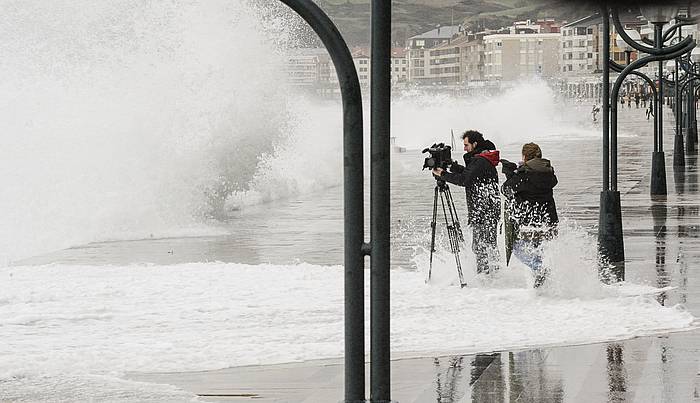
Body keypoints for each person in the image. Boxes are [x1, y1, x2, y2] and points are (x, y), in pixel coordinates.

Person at [432, 130, 501, 275]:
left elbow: (465, 180)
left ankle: (486, 279)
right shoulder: (482, 157)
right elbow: (470, 173)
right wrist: (452, 166)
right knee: (488, 245)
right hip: (488, 209)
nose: (464, 148)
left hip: (484, 211)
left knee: (480, 246)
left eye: (466, 145)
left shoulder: (480, 160)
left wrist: (443, 174)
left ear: (475, 144)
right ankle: (493, 277)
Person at [500, 143, 558, 288]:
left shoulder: (524, 175)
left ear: (525, 156)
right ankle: (542, 288)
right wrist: (519, 171)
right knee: (540, 250)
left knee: (517, 248)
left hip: (530, 224)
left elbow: (506, 190)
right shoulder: (548, 172)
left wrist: (510, 174)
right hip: (549, 221)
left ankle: (540, 270)